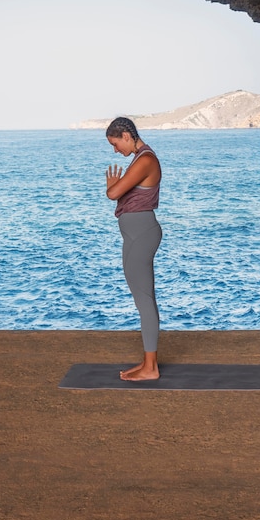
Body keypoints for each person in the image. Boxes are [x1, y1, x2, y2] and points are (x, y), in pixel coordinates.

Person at [105, 117, 162, 381]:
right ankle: (147, 361)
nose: (116, 151)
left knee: (144, 300)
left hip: (142, 235)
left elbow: (114, 194)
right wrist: (114, 189)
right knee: (144, 298)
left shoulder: (145, 160)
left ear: (126, 135)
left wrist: (111, 188)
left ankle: (151, 368)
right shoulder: (139, 159)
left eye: (116, 144)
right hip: (135, 235)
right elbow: (121, 193)